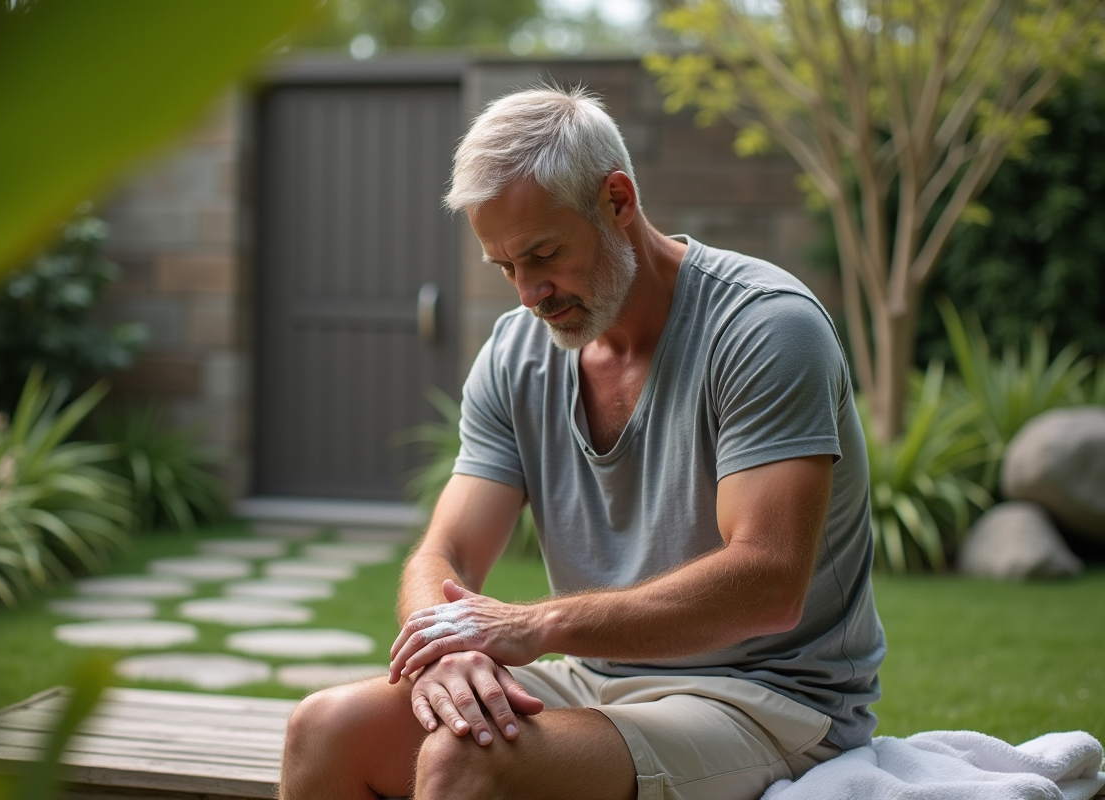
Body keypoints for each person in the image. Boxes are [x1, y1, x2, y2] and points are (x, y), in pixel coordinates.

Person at [279, 85, 885, 800]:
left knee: (465, 763)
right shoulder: (515, 356)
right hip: (595, 679)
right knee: (324, 727)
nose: (529, 293)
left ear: (618, 201)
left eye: (543, 254)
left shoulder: (765, 329)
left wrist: (539, 623)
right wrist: (439, 648)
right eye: (506, 267)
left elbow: (769, 581)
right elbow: (449, 552)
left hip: (765, 700)